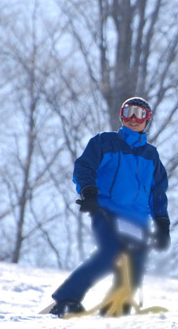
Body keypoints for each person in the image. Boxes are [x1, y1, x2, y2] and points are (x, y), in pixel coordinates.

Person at [49, 97, 170, 317]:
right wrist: (88, 190)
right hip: (108, 211)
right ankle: (67, 299)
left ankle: (118, 304)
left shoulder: (151, 155)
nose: (134, 119)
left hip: (137, 220)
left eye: (140, 114)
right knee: (110, 253)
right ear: (122, 116)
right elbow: (85, 166)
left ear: (148, 121)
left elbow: (157, 191)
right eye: (129, 112)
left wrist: (162, 222)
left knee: (136, 260)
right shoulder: (106, 142)